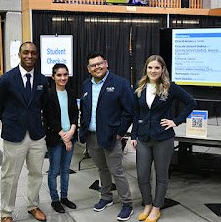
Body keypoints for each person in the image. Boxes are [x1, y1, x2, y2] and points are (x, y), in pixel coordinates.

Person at [130, 55, 196, 222]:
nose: (153, 71)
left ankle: (156, 208)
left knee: (161, 176)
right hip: (144, 138)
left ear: (163, 69)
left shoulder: (170, 87)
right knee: (142, 175)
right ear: (146, 69)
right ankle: (147, 204)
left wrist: (176, 121)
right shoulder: (140, 87)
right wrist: (133, 135)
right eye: (150, 67)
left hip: (163, 138)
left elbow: (191, 103)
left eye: (157, 68)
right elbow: (137, 112)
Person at [0, 42, 49, 222]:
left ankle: (33, 205)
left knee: (36, 173)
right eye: (25, 52)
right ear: (19, 54)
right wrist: (11, 121)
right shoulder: (7, 79)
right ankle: (6, 212)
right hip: (14, 134)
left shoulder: (42, 80)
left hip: (36, 135)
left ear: (37, 55)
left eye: (33, 53)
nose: (29, 56)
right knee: (10, 176)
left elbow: (44, 104)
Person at [80, 52, 134, 221]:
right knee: (102, 169)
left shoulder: (120, 83)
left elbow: (129, 111)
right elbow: (85, 109)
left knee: (116, 170)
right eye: (93, 65)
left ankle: (127, 204)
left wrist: (120, 132)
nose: (97, 67)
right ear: (89, 69)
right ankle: (106, 197)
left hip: (112, 136)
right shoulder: (86, 85)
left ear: (106, 63)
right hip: (92, 136)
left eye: (100, 63)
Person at [44, 63, 78, 213]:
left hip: (69, 135)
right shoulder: (49, 94)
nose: (63, 78)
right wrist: (64, 136)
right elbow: (49, 118)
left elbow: (74, 114)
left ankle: (64, 197)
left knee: (65, 169)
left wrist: (71, 130)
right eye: (59, 75)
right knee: (54, 170)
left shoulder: (71, 92)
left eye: (65, 74)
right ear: (53, 77)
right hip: (55, 138)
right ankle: (55, 200)